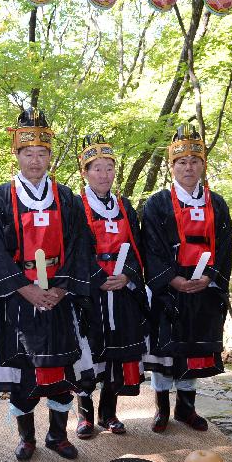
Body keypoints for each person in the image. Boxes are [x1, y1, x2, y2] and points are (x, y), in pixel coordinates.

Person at [0, 108, 91, 461]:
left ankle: (58, 435)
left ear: (50, 156)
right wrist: (24, 289)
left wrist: (60, 289)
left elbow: (80, 245)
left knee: (60, 370)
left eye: (42, 154)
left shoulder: (67, 197)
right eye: (28, 153)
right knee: (23, 374)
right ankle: (27, 438)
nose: (35, 160)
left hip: (58, 294)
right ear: (17, 155)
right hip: (18, 298)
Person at [141, 125, 232, 433]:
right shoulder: (157, 203)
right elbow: (149, 247)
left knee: (193, 349)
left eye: (195, 161)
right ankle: (162, 408)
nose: (189, 167)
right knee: (165, 350)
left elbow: (224, 245)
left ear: (203, 165)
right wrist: (172, 280)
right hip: (169, 289)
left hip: (203, 287)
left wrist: (209, 278)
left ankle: (187, 407)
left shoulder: (216, 203)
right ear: (172, 166)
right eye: (182, 162)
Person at [73, 134, 147, 439]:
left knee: (117, 354)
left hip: (122, 290)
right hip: (93, 292)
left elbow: (137, 245)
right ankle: (85, 415)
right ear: (85, 173)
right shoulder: (76, 206)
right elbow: (75, 250)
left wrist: (127, 276)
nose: (104, 175)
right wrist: (99, 279)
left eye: (109, 168)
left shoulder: (124, 206)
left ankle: (109, 413)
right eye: (97, 169)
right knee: (89, 352)